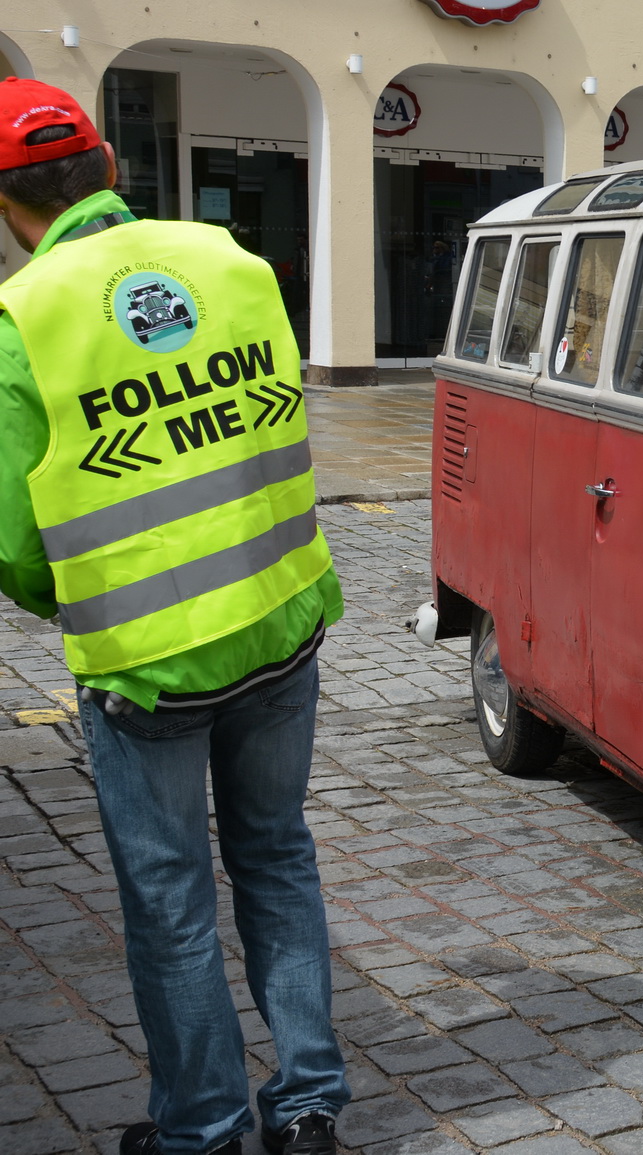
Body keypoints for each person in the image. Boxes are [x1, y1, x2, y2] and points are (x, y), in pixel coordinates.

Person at [0, 80, 347, 1155]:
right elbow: (261, 420)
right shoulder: (232, 263)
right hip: (282, 621)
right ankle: (310, 1106)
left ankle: (200, 1129)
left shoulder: (26, 319)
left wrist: (91, 591)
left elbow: (15, 543)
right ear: (107, 167)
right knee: (278, 856)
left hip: (150, 663)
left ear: (8, 209)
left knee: (170, 903)